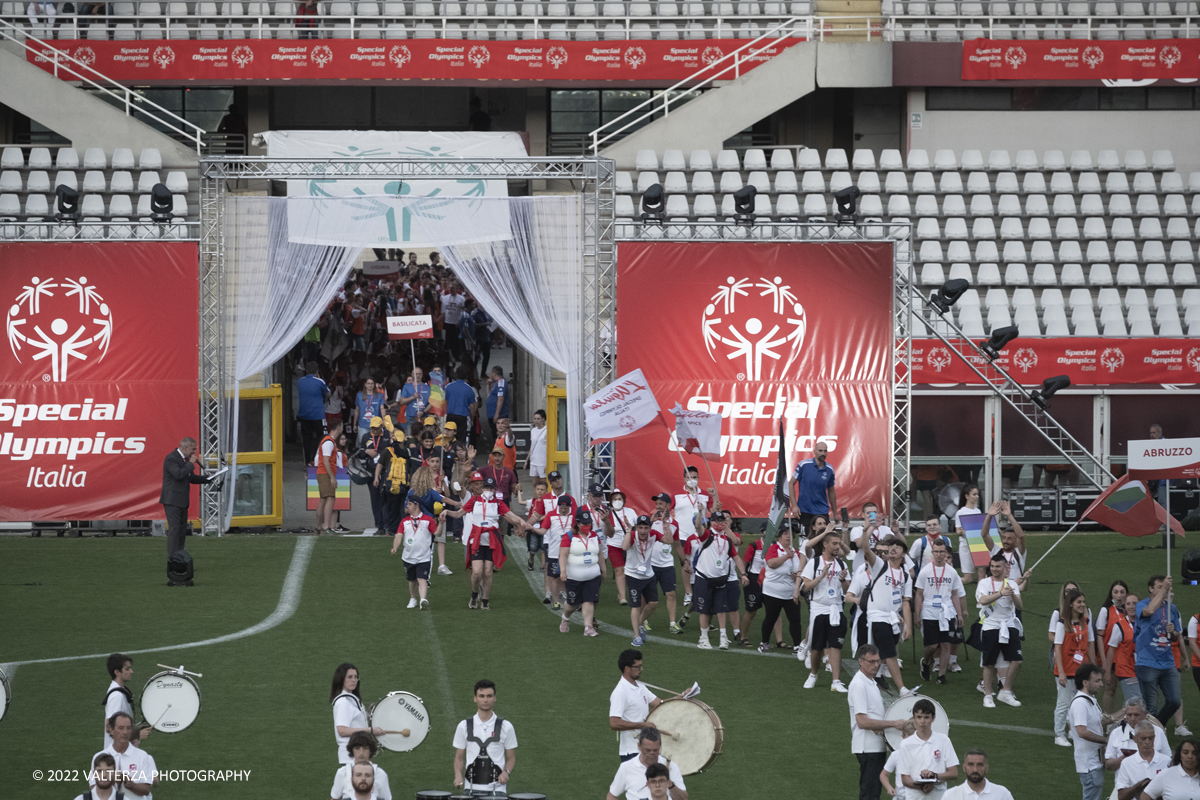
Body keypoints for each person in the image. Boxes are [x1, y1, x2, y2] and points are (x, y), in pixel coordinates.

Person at [445, 474, 530, 609]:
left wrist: (521, 522)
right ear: (482, 488)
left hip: (491, 539)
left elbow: (510, 515)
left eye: (491, 488)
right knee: (477, 572)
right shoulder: (474, 500)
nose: (488, 491)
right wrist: (446, 512)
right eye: (486, 487)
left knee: (488, 572)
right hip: (477, 539)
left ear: (495, 490)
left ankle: (485, 599)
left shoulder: (497, 503)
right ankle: (474, 594)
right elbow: (458, 514)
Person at [847, 535, 914, 696]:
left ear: (904, 555)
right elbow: (867, 551)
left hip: (893, 618)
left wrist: (908, 626)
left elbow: (905, 602)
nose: (893, 549)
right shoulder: (880, 567)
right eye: (891, 546)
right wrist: (866, 529)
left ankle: (868, 680)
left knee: (878, 653)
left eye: (898, 547)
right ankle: (902, 688)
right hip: (877, 616)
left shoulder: (905, 576)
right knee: (889, 653)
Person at [685, 510, 749, 651]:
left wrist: (743, 573)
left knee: (721, 610)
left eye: (722, 521)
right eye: (716, 521)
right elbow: (698, 527)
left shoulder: (727, 539)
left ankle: (723, 637)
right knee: (704, 610)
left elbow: (736, 557)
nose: (719, 523)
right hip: (703, 578)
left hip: (721, 579)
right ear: (711, 522)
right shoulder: (707, 535)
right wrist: (701, 512)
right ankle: (703, 638)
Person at [849, 644, 907, 800]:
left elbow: (873, 715)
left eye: (878, 661)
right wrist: (893, 723)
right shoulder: (859, 685)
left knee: (873, 792)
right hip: (868, 747)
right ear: (861, 661)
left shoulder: (870, 682)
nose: (876, 665)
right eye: (871, 661)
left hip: (875, 746)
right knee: (870, 794)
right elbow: (862, 722)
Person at [801, 527, 850, 691]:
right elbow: (805, 586)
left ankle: (836, 681)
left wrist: (843, 581)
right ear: (825, 545)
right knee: (816, 648)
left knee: (835, 645)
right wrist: (820, 577)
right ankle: (813, 674)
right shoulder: (814, 562)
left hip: (836, 609)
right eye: (835, 544)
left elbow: (846, 590)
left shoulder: (842, 564)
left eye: (839, 544)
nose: (838, 547)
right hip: (818, 609)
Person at [977, 551, 1026, 708]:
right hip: (991, 625)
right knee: (989, 663)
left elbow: (1020, 606)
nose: (994, 569)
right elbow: (982, 600)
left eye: (998, 566)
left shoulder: (1011, 584)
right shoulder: (984, 583)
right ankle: (988, 695)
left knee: (1017, 660)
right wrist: (1000, 593)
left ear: (1006, 568)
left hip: (1009, 624)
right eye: (992, 566)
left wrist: (1012, 595)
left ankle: (1005, 691)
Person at [915, 538, 967, 686]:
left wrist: (959, 614)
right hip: (930, 611)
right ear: (932, 553)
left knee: (946, 644)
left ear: (946, 553)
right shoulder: (925, 571)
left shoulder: (951, 572)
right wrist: (917, 614)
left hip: (946, 612)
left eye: (941, 552)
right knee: (932, 645)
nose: (939, 555)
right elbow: (919, 593)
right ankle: (926, 662)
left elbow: (955, 594)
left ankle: (941, 675)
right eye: (936, 552)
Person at [1135, 575, 1184, 728]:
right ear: (1150, 588)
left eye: (1165, 587)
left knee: (1175, 700)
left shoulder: (1172, 609)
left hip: (1167, 661)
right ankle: (1149, 737)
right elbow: (1149, 611)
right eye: (1159, 587)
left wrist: (1173, 632)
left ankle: (1157, 727)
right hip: (1147, 661)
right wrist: (1164, 590)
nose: (1164, 590)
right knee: (1151, 707)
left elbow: (1176, 636)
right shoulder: (1141, 604)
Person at [453, 679, 517, 795]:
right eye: (481, 696)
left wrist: (506, 772)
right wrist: (458, 775)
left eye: (489, 696)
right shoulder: (463, 726)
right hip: (470, 789)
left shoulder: (506, 726)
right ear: (475, 698)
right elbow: (458, 757)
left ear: (494, 698)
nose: (485, 700)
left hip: (497, 790)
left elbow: (511, 757)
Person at [159, 436, 212, 566]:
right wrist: (190, 464)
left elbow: (190, 477)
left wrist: (208, 479)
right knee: (174, 530)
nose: (194, 452)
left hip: (182, 500)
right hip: (172, 500)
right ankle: (172, 561)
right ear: (184, 447)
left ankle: (180, 559)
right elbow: (178, 474)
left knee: (182, 531)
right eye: (193, 449)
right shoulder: (171, 458)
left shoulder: (185, 459)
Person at [1056, 588, 1099, 745]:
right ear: (1071, 605)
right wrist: (1061, 672)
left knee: (1078, 703)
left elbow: (1089, 645)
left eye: (1083, 602)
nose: (1082, 605)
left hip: (1081, 670)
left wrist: (1094, 667)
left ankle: (1073, 731)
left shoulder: (1086, 622)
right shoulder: (1062, 623)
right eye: (1079, 602)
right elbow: (1057, 648)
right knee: (1064, 703)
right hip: (1066, 670)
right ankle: (1059, 734)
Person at [756, 522, 805, 656]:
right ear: (779, 536)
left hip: (790, 592)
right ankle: (764, 642)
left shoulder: (796, 553)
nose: (788, 537)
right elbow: (771, 564)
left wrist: (798, 575)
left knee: (795, 619)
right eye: (785, 534)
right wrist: (786, 556)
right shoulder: (773, 549)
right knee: (771, 618)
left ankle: (797, 646)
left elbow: (802, 570)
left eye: (790, 534)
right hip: (773, 592)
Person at [896, 698, 960, 800]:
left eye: (926, 717)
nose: (922, 721)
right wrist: (921, 787)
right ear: (914, 717)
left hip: (939, 796)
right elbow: (905, 779)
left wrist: (934, 776)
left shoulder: (944, 740)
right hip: (914, 797)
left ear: (933, 718)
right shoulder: (906, 744)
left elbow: (954, 773)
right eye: (919, 717)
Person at [609, 649, 664, 762]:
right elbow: (614, 722)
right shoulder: (620, 692)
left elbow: (661, 704)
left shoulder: (640, 687)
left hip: (646, 750)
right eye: (638, 667)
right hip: (632, 752)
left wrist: (683, 697)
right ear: (627, 669)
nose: (641, 669)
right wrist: (642, 725)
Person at [89, 713, 157, 799]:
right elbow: (93, 788)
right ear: (112, 730)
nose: (125, 732)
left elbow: (146, 790)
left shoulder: (142, 756)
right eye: (120, 728)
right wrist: (111, 780)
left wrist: (131, 785)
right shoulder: (99, 757)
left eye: (128, 728)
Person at [605, 728, 688, 800]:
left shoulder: (672, 767)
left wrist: (670, 784)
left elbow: (683, 799)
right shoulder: (626, 767)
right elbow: (612, 795)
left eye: (655, 750)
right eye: (647, 750)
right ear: (639, 746)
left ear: (660, 746)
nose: (651, 754)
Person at [558, 509, 604, 637]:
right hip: (574, 576)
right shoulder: (569, 536)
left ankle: (588, 627)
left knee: (589, 600)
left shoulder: (595, 536)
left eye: (588, 522)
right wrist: (563, 571)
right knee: (572, 604)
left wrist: (603, 570)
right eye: (584, 523)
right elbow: (563, 554)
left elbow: (600, 554)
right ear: (578, 523)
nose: (586, 525)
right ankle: (565, 618)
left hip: (593, 575)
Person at [1070, 663, 1109, 800]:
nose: (1101, 684)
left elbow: (1100, 720)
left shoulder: (1089, 700)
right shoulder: (1080, 703)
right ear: (1085, 682)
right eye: (1097, 681)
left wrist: (1125, 713)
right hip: (1089, 764)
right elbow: (1082, 732)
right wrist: (1106, 740)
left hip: (1094, 761)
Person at [331, 663, 383, 765]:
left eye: (356, 677)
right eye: (350, 677)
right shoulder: (343, 703)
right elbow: (342, 731)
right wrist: (371, 730)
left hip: (357, 756)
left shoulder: (351, 700)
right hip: (350, 757)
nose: (354, 680)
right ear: (341, 679)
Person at [647, 492, 684, 634]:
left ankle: (673, 624)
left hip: (667, 564)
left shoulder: (674, 524)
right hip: (650, 562)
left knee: (671, 594)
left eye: (661, 504)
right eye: (657, 504)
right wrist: (651, 521)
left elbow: (677, 544)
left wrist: (684, 561)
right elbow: (640, 536)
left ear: (668, 506)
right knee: (648, 595)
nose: (658, 506)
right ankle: (644, 621)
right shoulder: (650, 522)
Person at [391, 496, 435, 610]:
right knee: (411, 580)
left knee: (422, 579)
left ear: (416, 505)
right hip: (408, 556)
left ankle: (423, 600)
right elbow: (399, 535)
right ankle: (413, 598)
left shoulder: (428, 520)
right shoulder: (404, 521)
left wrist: (441, 524)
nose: (407, 507)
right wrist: (395, 547)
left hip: (424, 556)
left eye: (409, 504)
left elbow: (437, 533)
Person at [625, 515, 661, 647]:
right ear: (636, 527)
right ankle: (636, 636)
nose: (643, 531)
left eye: (646, 528)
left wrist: (666, 526)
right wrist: (629, 530)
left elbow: (669, 541)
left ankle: (640, 624)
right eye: (640, 527)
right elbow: (624, 547)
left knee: (653, 603)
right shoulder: (633, 534)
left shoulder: (654, 534)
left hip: (648, 574)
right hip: (633, 574)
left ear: (650, 528)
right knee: (636, 605)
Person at [534, 494, 574, 610]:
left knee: (570, 577)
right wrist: (532, 528)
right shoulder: (551, 515)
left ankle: (569, 600)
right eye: (561, 508)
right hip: (554, 552)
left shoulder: (573, 516)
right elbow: (543, 530)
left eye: (565, 508)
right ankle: (556, 601)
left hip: (569, 552)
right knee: (555, 577)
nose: (563, 510)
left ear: (569, 507)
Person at [1108, 698, 1171, 772]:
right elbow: (1108, 765)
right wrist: (1120, 761)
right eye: (1129, 715)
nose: (1132, 718)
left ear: (1145, 714)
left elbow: (1168, 760)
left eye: (1136, 715)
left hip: (1153, 781)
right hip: (1126, 782)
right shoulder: (1116, 733)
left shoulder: (1158, 732)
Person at [788, 441, 836, 536]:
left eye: (825, 451)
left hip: (822, 511)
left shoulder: (830, 469)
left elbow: (831, 491)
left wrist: (835, 513)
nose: (823, 453)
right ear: (814, 451)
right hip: (805, 510)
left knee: (824, 540)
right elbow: (790, 484)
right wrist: (794, 505)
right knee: (806, 541)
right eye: (820, 450)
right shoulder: (804, 465)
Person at [1116, 721, 1172, 800]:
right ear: (1135, 739)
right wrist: (1138, 786)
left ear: (1154, 738)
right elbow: (1121, 797)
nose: (1147, 742)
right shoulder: (1126, 763)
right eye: (1143, 738)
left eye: (1150, 738)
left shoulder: (1167, 762)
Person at [330, 731, 393, 800]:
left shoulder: (380, 774)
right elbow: (334, 798)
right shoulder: (342, 772)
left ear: (370, 750)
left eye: (365, 748)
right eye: (357, 748)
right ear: (352, 750)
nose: (361, 753)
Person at [1109, 593, 1144, 705]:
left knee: (1133, 702)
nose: (1131, 606)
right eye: (1128, 604)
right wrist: (1107, 671)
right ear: (1124, 607)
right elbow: (1111, 649)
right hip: (1126, 669)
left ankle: (1121, 722)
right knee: (1136, 700)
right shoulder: (1119, 626)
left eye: (1135, 603)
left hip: (1144, 669)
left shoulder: (1145, 623)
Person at [605, 486, 637, 607]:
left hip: (630, 545)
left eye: (620, 498)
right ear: (611, 502)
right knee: (619, 570)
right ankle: (622, 596)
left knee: (631, 570)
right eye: (615, 499)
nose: (618, 501)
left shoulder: (631, 512)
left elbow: (636, 527)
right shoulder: (608, 514)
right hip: (613, 545)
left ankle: (632, 593)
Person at [360, 416, 391, 536]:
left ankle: (388, 524)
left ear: (382, 426)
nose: (375, 430)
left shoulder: (388, 436)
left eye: (377, 428)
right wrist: (366, 451)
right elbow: (361, 454)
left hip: (385, 472)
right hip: (371, 471)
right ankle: (380, 526)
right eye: (373, 428)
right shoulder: (366, 437)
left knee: (386, 498)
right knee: (375, 499)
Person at [374, 432, 409, 538]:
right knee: (391, 508)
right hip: (390, 484)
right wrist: (376, 477)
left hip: (404, 484)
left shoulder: (407, 451)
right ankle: (392, 530)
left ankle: (405, 530)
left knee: (404, 508)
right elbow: (380, 464)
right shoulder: (387, 451)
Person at [942, 749, 1014, 800]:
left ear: (986, 768)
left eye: (980, 765)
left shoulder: (1002, 794)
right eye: (971, 765)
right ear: (964, 768)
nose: (975, 769)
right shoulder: (950, 795)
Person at [314, 419, 345, 535]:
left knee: (323, 500)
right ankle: (326, 526)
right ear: (338, 427)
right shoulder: (329, 442)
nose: (342, 429)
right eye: (341, 426)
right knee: (330, 498)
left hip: (323, 473)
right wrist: (332, 477)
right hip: (325, 473)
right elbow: (326, 461)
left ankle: (318, 526)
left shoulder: (329, 441)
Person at [298, 361, 330, 465]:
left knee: (306, 439)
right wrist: (319, 377)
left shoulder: (300, 381)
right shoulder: (320, 381)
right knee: (321, 437)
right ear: (317, 371)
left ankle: (308, 461)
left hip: (304, 414)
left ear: (306, 370)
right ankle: (317, 460)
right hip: (317, 414)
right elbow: (328, 393)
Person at [953, 484, 986, 586]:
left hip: (979, 544)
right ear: (967, 496)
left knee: (982, 575)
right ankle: (948, 582)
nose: (977, 496)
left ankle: (981, 596)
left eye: (977, 494)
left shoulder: (978, 511)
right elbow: (957, 530)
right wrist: (963, 532)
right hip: (966, 545)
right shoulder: (960, 512)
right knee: (968, 578)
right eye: (974, 494)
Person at [102, 654, 134, 749]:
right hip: (116, 756)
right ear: (117, 672)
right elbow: (109, 727)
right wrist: (138, 734)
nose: (131, 671)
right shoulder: (117, 696)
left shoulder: (120, 691)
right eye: (127, 669)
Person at [880, 720, 917, 798]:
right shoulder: (896, 755)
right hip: (900, 796)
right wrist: (889, 788)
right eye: (908, 740)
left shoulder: (924, 755)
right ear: (903, 737)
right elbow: (884, 774)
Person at [444, 366, 478, 441]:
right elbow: (472, 407)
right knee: (462, 438)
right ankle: (461, 452)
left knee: (449, 437)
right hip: (463, 416)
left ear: (456, 375)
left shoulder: (448, 386)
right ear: (466, 376)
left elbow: (444, 400)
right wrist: (472, 419)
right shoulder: (469, 389)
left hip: (450, 415)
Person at [395, 367, 431, 435]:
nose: (418, 376)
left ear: (422, 375)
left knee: (422, 438)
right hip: (410, 417)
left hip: (423, 417)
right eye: (416, 374)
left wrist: (423, 412)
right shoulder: (407, 386)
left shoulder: (428, 388)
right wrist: (413, 397)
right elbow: (402, 402)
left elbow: (431, 403)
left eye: (419, 374)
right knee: (410, 438)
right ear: (412, 374)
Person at [484, 365, 509, 447]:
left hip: (499, 414)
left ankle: (500, 449)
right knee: (494, 433)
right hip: (491, 413)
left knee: (499, 433)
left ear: (494, 373)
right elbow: (489, 395)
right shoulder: (495, 383)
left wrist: (497, 414)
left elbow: (500, 399)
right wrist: (488, 384)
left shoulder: (501, 383)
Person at [526, 408, 548, 479]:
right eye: (535, 419)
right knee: (534, 483)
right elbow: (532, 446)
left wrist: (547, 463)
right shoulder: (533, 430)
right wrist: (527, 460)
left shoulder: (547, 430)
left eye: (538, 419)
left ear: (543, 419)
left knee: (543, 482)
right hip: (533, 461)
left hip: (542, 462)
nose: (536, 421)